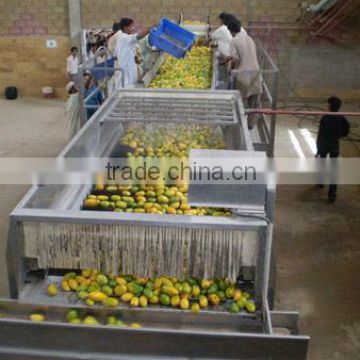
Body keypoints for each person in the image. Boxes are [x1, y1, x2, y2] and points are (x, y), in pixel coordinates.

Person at [227, 19, 262, 129]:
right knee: (255, 102)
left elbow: (235, 59)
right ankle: (250, 126)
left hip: (243, 73)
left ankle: (240, 127)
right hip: (256, 72)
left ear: (231, 31)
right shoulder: (249, 38)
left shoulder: (234, 41)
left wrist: (230, 70)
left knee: (241, 102)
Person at [316, 96, 350, 202]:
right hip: (334, 145)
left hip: (325, 145)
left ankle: (321, 181)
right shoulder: (341, 118)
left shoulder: (325, 118)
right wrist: (339, 135)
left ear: (330, 106)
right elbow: (346, 130)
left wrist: (318, 148)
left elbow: (321, 134)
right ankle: (332, 194)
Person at [115, 18, 151, 87]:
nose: (133, 29)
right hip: (126, 74)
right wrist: (150, 29)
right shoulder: (123, 37)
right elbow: (138, 36)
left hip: (130, 71)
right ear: (125, 28)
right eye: (131, 27)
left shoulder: (126, 37)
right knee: (126, 87)